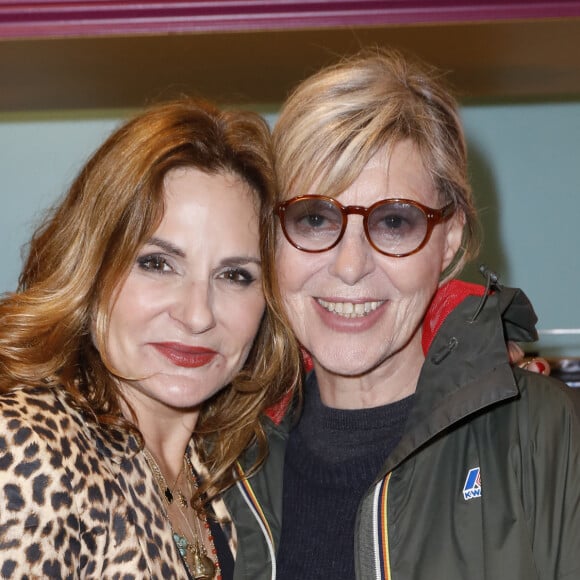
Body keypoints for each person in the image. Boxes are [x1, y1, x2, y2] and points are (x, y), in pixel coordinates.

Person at [225, 49, 580, 579]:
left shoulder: (541, 433)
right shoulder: (227, 455)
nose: (349, 267)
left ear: (449, 238)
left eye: (394, 222)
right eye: (315, 218)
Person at [0, 98, 301, 578]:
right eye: (158, 264)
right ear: (93, 271)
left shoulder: (230, 472)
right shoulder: (28, 448)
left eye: (236, 276)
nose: (197, 314)